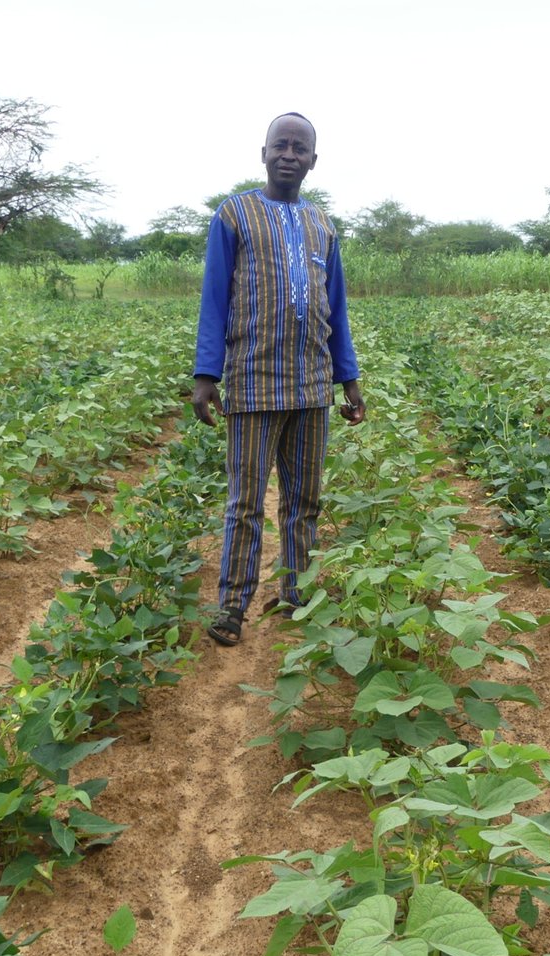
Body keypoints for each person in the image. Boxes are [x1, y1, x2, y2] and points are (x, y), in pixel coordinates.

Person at [192, 111, 365, 648]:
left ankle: (295, 595)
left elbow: (336, 307)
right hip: (252, 382)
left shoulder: (322, 225)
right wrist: (206, 374)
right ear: (263, 153)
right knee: (245, 503)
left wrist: (348, 378)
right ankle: (232, 606)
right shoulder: (234, 215)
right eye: (281, 145)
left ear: (313, 160)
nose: (289, 155)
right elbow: (214, 299)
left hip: (312, 386)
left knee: (303, 501)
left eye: (300, 148)